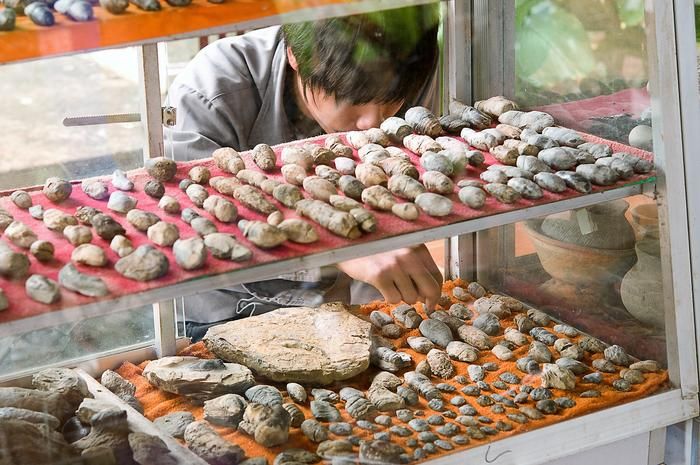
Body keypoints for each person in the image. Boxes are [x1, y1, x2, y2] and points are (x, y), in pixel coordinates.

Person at [164, 4, 443, 340]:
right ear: (294, 56)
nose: (374, 122)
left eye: (390, 100)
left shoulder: (414, 67)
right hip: (222, 311)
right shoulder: (209, 91)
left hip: (341, 305)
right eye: (352, 100)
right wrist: (339, 246)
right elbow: (195, 228)